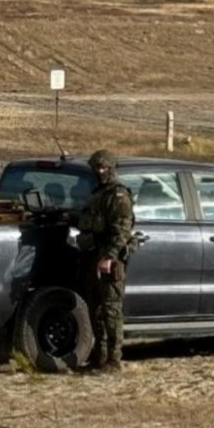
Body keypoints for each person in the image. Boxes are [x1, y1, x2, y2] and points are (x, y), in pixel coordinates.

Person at [76, 149, 134, 373]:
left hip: (110, 258)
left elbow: (121, 230)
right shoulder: (98, 194)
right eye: (96, 168)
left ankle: (113, 359)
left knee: (111, 310)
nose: (99, 172)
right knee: (96, 309)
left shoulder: (118, 195)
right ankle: (99, 357)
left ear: (111, 169)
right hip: (93, 254)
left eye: (103, 168)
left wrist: (109, 256)